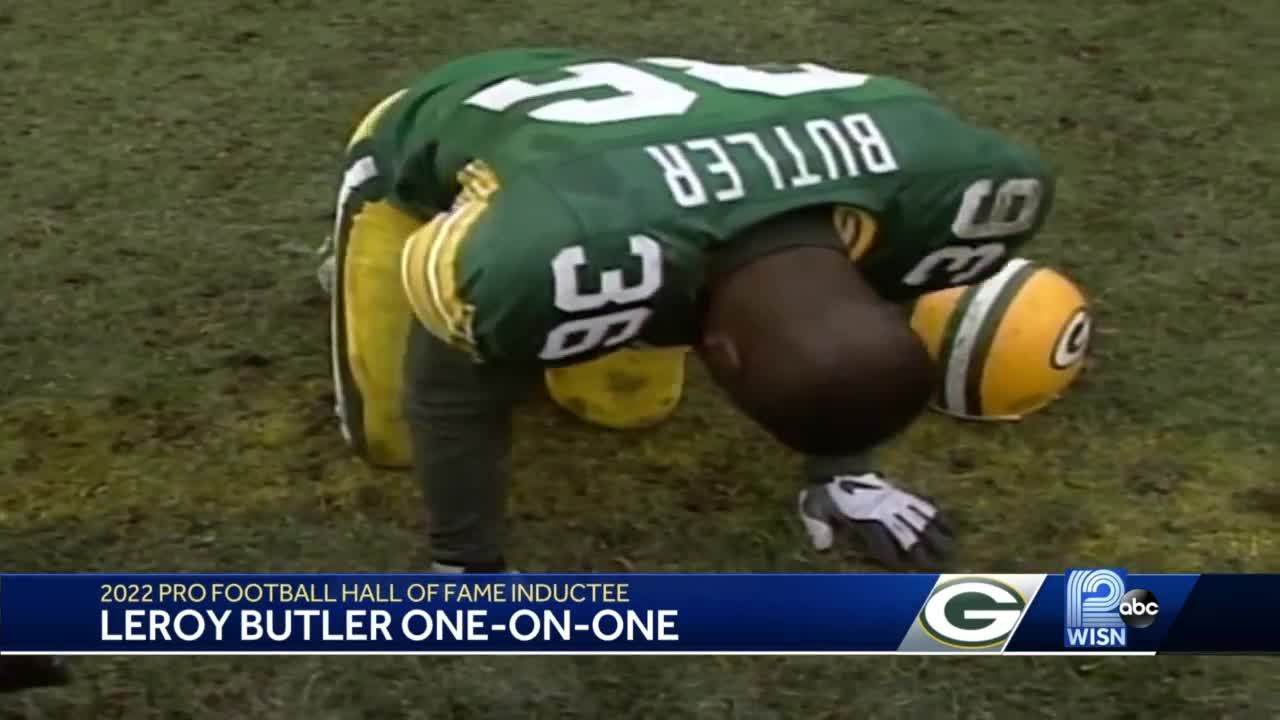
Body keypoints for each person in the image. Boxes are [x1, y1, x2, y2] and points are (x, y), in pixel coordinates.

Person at [320, 48, 1055, 572]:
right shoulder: (539, 249)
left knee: (626, 407)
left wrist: (845, 470)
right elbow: (451, 395)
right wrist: (468, 565)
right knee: (395, 438)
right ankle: (343, 262)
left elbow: (872, 297)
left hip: (634, 172)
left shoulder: (941, 187)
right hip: (438, 138)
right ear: (716, 354)